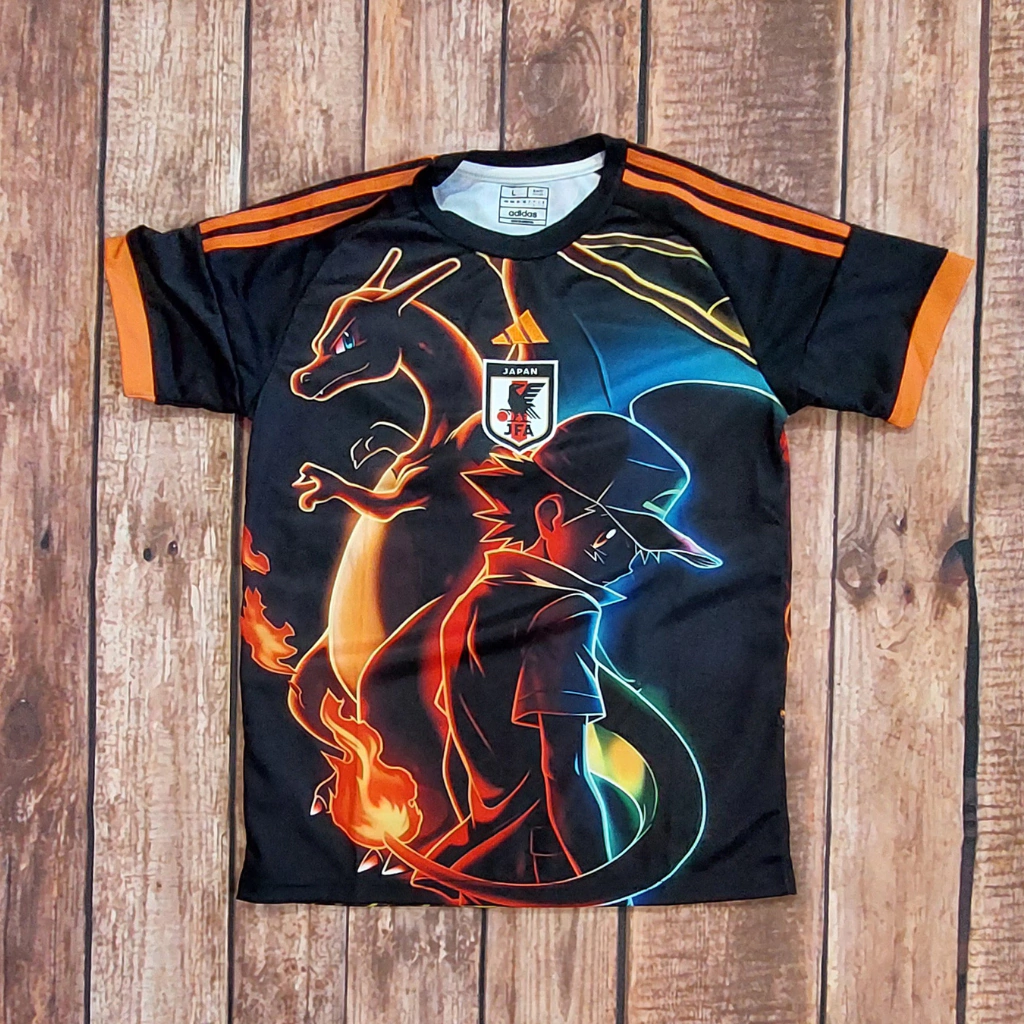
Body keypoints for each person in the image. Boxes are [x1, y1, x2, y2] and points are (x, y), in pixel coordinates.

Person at [420, 412, 721, 890]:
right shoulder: (565, 611)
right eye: (614, 535)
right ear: (550, 515)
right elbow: (563, 772)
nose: (632, 560)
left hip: (488, 848)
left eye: (643, 544)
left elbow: (460, 749)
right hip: (550, 861)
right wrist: (601, 886)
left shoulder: (478, 599)